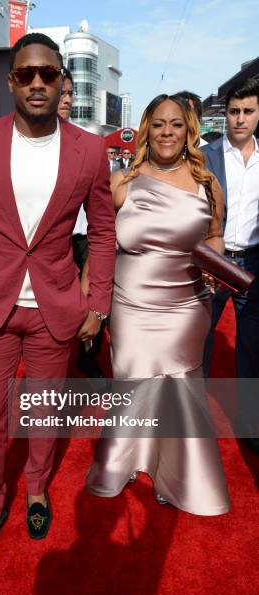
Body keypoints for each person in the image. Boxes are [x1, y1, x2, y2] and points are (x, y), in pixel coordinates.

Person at [0, 33, 116, 562]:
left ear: (62, 79)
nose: (38, 83)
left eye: (48, 73)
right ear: (11, 81)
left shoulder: (90, 150)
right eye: (27, 74)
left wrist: (99, 305)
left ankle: (36, 490)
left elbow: (105, 232)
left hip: (55, 308)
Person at [86, 94, 230, 516]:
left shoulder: (207, 182)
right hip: (131, 304)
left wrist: (214, 261)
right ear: (146, 129)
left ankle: (180, 475)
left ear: (189, 131)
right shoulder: (122, 181)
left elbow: (216, 235)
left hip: (187, 304)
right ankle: (127, 459)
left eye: (177, 125)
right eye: (160, 124)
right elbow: (101, 245)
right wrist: (91, 301)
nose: (168, 132)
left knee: (179, 385)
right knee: (132, 379)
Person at [202, 77, 259, 453]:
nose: (240, 119)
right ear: (225, 115)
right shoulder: (205, 157)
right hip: (213, 260)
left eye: (248, 112)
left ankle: (249, 424)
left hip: (254, 263)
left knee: (252, 349)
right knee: (198, 342)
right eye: (234, 112)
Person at [58, 69, 106, 380]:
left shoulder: (86, 144)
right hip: (50, 241)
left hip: (83, 237)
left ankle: (88, 359)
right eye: (61, 92)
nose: (66, 99)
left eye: (70, 93)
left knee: (95, 302)